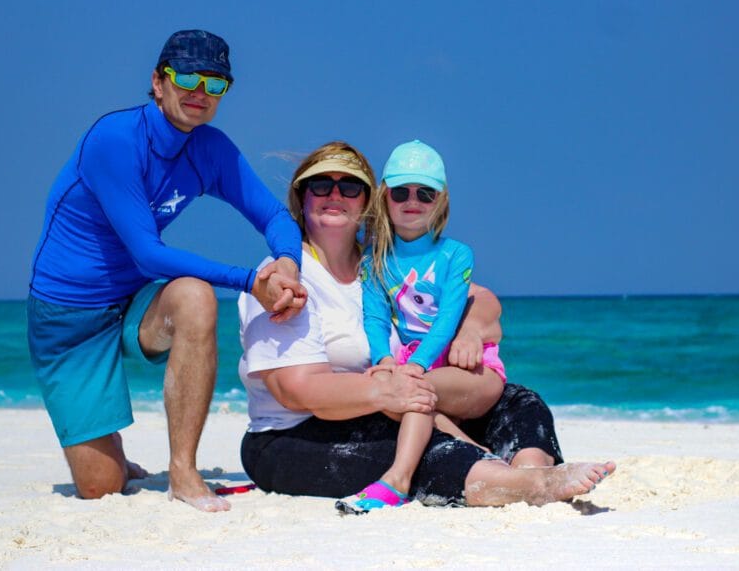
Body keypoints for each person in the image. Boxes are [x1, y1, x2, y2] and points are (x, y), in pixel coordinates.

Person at [238, 141, 615, 510]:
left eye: (350, 186)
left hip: (389, 403)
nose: (335, 194)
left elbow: (481, 299)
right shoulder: (282, 276)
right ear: (301, 197)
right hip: (293, 435)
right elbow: (294, 390)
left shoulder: (380, 262)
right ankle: (530, 486)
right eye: (321, 185)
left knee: (519, 403)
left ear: (368, 200)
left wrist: (468, 330)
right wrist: (384, 392)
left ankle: (528, 470)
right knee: (426, 449)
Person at [27, 29, 306, 512]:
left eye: (215, 83)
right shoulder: (113, 140)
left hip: (134, 303)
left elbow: (275, 216)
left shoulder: (210, 149)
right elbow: (148, 255)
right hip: (68, 317)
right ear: (158, 82)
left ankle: (183, 472)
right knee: (102, 487)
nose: (199, 93)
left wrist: (287, 263)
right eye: (187, 78)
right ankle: (106, 450)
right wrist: (250, 281)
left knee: (195, 297)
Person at [335, 139, 511, 514]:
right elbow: (376, 317)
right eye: (401, 192)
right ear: (384, 197)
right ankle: (476, 451)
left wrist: (416, 365)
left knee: (415, 388)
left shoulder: (456, 254)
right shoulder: (373, 260)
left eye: (425, 193)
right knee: (389, 389)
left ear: (441, 200)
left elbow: (448, 318)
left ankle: (396, 481)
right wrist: (384, 358)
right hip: (414, 363)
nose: (412, 200)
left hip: (470, 371)